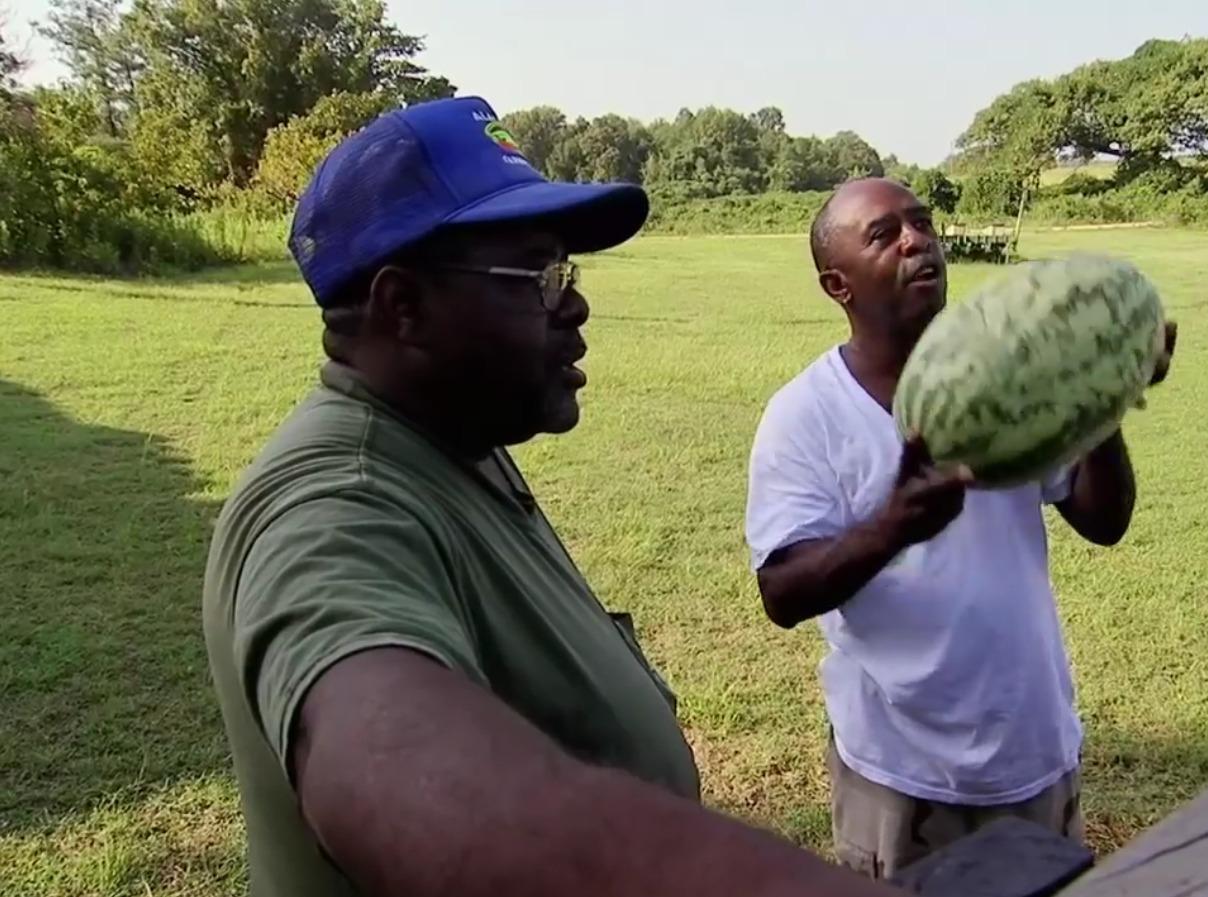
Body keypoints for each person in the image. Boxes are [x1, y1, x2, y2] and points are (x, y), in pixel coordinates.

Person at [202, 96, 903, 897]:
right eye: (539, 276)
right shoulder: (333, 500)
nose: (574, 303)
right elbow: (401, 775)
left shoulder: (452, 439)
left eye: (567, 271)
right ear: (405, 307)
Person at [743, 177, 1176, 882]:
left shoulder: (1017, 378)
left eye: (922, 223)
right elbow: (781, 590)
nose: (916, 241)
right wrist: (893, 527)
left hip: (1035, 752)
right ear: (837, 284)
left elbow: (1105, 520)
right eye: (884, 235)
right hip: (901, 778)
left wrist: (1107, 392)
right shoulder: (805, 415)